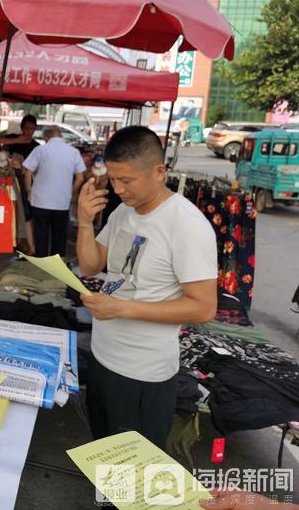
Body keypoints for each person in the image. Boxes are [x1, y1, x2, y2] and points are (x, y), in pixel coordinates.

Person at [76, 126, 217, 448]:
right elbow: (91, 264)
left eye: (127, 180)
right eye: (113, 179)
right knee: (104, 450)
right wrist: (85, 222)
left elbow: (203, 307)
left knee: (133, 472)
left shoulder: (186, 224)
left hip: (143, 372)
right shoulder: (123, 212)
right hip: (103, 356)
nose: (118, 189)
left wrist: (123, 308)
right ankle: (105, 499)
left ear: (159, 172)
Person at [23, 126, 86, 257]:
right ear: (60, 135)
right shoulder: (73, 152)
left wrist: (29, 191)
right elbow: (80, 178)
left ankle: (42, 265)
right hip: (62, 202)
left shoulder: (40, 149)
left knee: (41, 236)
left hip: (40, 201)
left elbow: (28, 173)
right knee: (59, 237)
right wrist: (72, 191)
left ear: (46, 137)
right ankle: (57, 266)